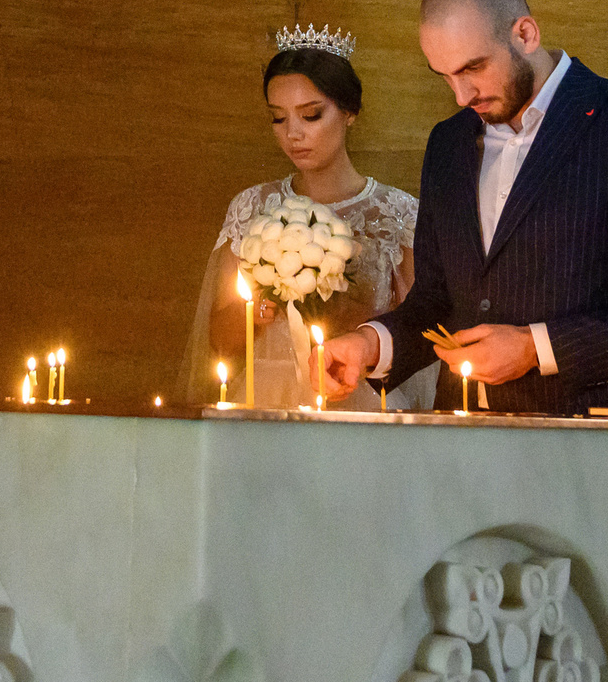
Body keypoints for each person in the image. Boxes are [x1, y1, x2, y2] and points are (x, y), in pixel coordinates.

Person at [320, 0, 608, 414]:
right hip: (462, 451)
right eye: (444, 75)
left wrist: (537, 348)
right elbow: (439, 302)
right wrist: (371, 343)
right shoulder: (448, 143)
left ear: (525, 33)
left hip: (594, 446)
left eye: (473, 68)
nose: (461, 95)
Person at [187, 29, 438, 410]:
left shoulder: (398, 214)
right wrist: (259, 308)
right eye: (278, 118)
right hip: (269, 399)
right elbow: (220, 340)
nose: (293, 134)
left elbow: (421, 331)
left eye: (311, 115)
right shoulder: (254, 206)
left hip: (363, 402)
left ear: (350, 112)